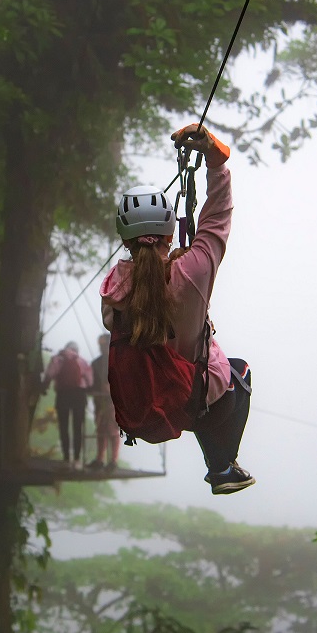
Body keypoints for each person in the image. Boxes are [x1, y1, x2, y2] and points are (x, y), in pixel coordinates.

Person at [99, 123, 255, 495]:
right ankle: (220, 467)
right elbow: (217, 219)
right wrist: (216, 162)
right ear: (172, 230)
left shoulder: (112, 293)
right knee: (239, 373)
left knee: (208, 378)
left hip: (148, 409)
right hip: (195, 402)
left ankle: (219, 464)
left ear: (125, 238)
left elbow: (134, 304)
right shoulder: (195, 270)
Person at [42, 341, 93, 469]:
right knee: (77, 428)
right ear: (77, 350)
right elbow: (90, 381)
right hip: (79, 395)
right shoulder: (82, 361)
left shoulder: (57, 359)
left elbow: (49, 375)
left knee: (63, 427)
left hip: (63, 395)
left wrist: (44, 387)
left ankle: (66, 459)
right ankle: (76, 460)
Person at [86, 333, 120, 471]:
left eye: (104, 345)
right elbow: (92, 382)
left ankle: (113, 461)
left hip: (113, 401)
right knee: (101, 429)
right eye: (101, 345)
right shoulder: (96, 363)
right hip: (100, 401)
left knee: (112, 430)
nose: (102, 348)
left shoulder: (118, 361)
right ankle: (100, 459)